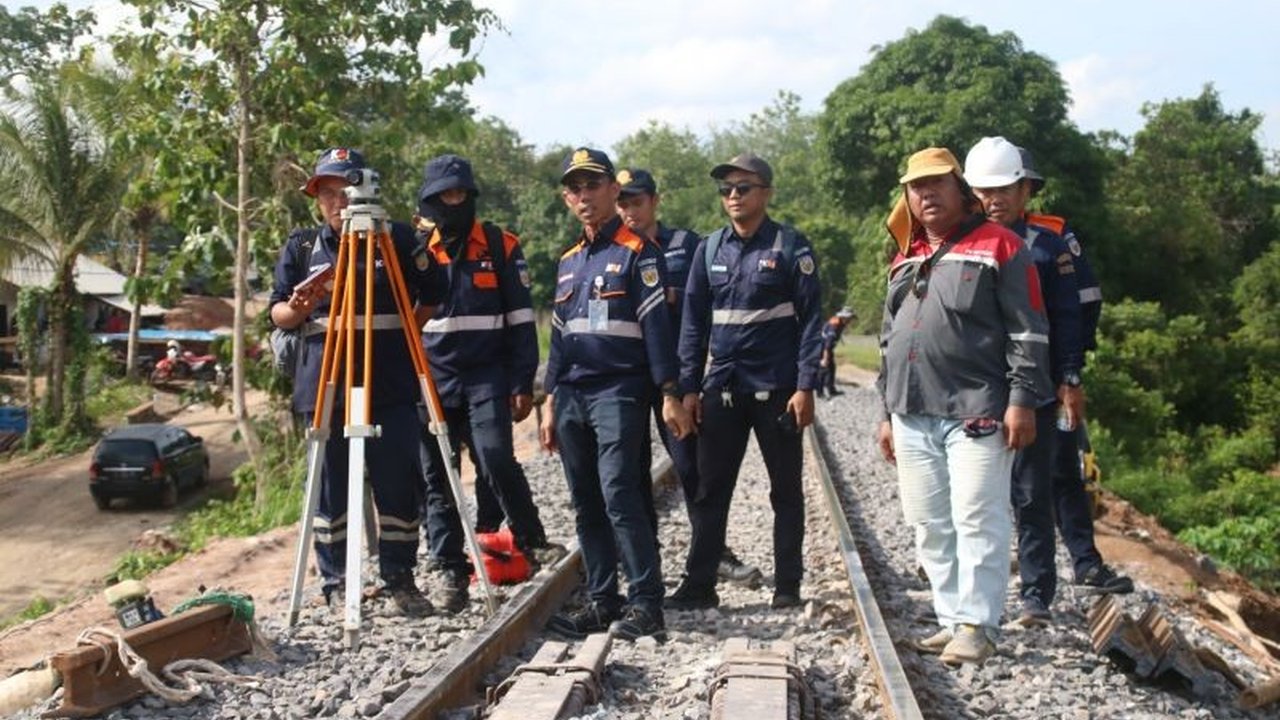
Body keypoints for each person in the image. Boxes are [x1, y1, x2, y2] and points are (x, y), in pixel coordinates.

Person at [877, 147, 1052, 665]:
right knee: (929, 522)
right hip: (912, 411)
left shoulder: (1001, 246)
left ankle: (979, 624)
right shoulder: (906, 255)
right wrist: (885, 414)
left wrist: (1021, 401)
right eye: (916, 187)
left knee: (979, 517)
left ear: (962, 190)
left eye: (936, 184)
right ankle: (951, 618)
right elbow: (889, 339)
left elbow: (1028, 330)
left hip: (978, 409)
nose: (926, 194)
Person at [269, 147, 440, 616]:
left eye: (343, 190)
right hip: (325, 382)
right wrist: (300, 308)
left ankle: (400, 578)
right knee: (330, 486)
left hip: (389, 383)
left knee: (397, 482)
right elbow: (278, 311)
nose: (337, 202)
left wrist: (405, 329)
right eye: (326, 193)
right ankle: (337, 582)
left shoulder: (398, 240)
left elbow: (433, 294)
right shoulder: (303, 247)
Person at [540, 148, 693, 642]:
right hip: (571, 396)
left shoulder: (638, 252)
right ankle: (604, 601)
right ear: (568, 198)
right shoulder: (567, 263)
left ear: (612, 191)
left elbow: (656, 329)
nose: (585, 196)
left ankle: (646, 602)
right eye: (576, 189)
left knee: (620, 494)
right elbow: (559, 338)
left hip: (618, 392)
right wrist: (548, 400)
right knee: (585, 502)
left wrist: (669, 391)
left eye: (593, 186)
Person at [667, 152, 823, 612]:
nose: (733, 196)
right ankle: (699, 586)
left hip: (776, 391)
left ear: (766, 193)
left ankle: (788, 586)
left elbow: (812, 321)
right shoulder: (709, 250)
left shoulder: (791, 247)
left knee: (785, 491)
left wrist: (806, 385)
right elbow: (693, 327)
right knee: (710, 491)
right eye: (726, 190)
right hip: (724, 389)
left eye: (743, 188)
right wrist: (688, 388)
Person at [413, 153, 567, 613]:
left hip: (487, 378)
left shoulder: (500, 246)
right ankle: (447, 568)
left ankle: (531, 540)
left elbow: (522, 320)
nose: (453, 202)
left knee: (496, 457)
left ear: (471, 196)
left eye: (460, 194)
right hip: (432, 381)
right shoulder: (416, 250)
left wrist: (523, 381)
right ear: (431, 199)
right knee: (437, 477)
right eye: (444, 195)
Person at [614, 167, 762, 586]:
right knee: (630, 468)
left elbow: (705, 309)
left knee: (692, 467)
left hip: (677, 377)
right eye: (622, 203)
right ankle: (645, 558)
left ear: (654, 202)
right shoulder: (614, 250)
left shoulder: (687, 246)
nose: (629, 211)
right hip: (627, 373)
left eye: (636, 202)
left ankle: (714, 553)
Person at [964, 136, 1084, 627]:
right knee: (973, 494)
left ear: (1024, 191)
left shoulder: (1047, 247)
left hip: (1034, 387)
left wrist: (1070, 378)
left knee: (1032, 493)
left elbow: (1069, 316)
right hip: (975, 387)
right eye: (984, 191)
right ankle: (969, 594)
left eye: (1004, 190)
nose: (994, 200)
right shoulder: (961, 244)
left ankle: (1036, 595)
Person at [1019, 146, 1133, 596]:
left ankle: (1085, 563)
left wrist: (1070, 371)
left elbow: (1083, 305)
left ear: (1027, 189)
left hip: (1050, 376)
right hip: (989, 381)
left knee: (1063, 470)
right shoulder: (971, 236)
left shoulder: (1054, 236)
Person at [817, 307, 854, 399]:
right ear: (843, 317)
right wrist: (825, 359)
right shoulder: (834, 325)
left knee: (831, 368)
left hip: (826, 347)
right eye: (849, 318)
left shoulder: (840, 324)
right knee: (824, 369)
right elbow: (827, 345)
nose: (850, 320)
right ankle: (820, 393)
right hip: (821, 348)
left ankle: (831, 390)